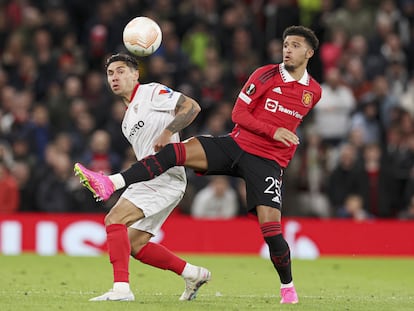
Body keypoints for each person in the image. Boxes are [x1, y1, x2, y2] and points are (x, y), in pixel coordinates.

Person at [75, 26, 321, 304]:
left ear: (309, 52)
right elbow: (239, 113)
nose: (287, 49)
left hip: (266, 162)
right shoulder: (265, 74)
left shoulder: (313, 92)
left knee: (271, 231)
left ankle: (287, 288)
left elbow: (192, 107)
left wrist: (277, 140)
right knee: (138, 230)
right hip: (234, 146)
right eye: (285, 44)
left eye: (295, 45)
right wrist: (271, 130)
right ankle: (190, 273)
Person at [75, 53, 211, 301]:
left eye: (120, 71)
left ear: (136, 74)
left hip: (166, 178)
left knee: (114, 218)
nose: (114, 77)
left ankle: (121, 289)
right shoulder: (126, 121)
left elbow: (192, 106)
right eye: (110, 73)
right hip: (151, 179)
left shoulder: (151, 92)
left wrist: (169, 131)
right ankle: (193, 273)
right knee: (135, 245)